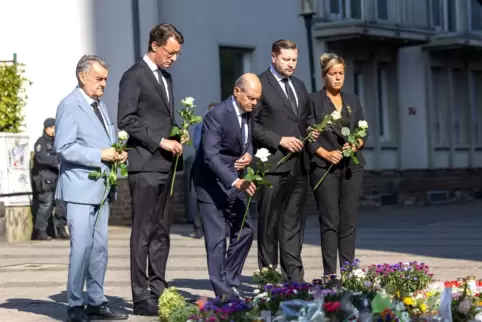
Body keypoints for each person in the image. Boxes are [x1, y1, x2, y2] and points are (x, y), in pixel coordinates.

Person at [117, 23, 184, 316]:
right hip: (144, 164)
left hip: (165, 165)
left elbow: (160, 118)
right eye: (170, 53)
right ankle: (140, 293)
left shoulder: (166, 77)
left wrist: (178, 135)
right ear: (155, 46)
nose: (173, 59)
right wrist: (160, 141)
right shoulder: (134, 76)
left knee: (161, 231)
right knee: (143, 232)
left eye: (177, 54)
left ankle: (159, 287)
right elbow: (126, 119)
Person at [55, 55, 128, 322]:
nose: (103, 84)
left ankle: (96, 301)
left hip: (101, 187)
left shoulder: (100, 105)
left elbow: (105, 140)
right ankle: (75, 304)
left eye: (106, 79)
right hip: (79, 189)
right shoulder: (69, 105)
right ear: (82, 76)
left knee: (100, 248)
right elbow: (64, 148)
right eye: (99, 79)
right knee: (82, 247)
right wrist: (101, 154)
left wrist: (117, 153)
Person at [253, 39, 318, 283]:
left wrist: (313, 130)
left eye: (294, 60)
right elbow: (253, 125)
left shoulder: (300, 86)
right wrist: (279, 140)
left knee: (293, 224)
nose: (291, 65)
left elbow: (308, 118)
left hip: (299, 166)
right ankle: (269, 279)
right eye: (286, 59)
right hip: (272, 165)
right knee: (269, 224)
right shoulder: (259, 84)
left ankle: (295, 278)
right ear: (273, 57)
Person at [192, 73, 261, 299]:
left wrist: (249, 155)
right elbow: (210, 156)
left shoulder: (249, 112)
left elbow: (248, 140)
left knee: (245, 230)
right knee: (217, 238)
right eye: (251, 98)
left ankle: (230, 279)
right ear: (236, 91)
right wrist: (236, 181)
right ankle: (223, 292)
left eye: (257, 99)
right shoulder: (217, 115)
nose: (254, 103)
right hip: (211, 182)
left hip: (235, 179)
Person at [307, 53, 368, 276]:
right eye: (333, 74)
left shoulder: (352, 100)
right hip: (325, 169)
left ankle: (349, 271)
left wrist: (357, 144)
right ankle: (330, 274)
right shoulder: (313, 101)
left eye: (341, 74)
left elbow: (364, 130)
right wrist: (324, 153)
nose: (338, 78)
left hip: (351, 167)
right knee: (330, 221)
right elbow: (308, 134)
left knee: (348, 221)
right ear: (324, 76)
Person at [31, 118, 68, 240]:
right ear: (46, 128)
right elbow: (42, 158)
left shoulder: (58, 142)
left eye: (55, 127)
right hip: (46, 179)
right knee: (46, 206)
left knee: (61, 205)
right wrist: (56, 162)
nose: (54, 130)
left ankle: (61, 230)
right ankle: (41, 231)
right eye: (51, 127)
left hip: (58, 178)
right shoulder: (40, 143)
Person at [187, 102, 217, 239]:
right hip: (204, 165)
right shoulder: (201, 125)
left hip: (218, 166)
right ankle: (198, 228)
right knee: (202, 198)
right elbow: (197, 144)